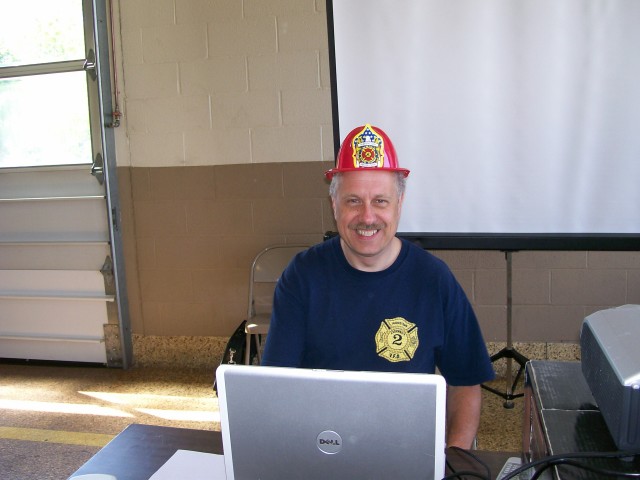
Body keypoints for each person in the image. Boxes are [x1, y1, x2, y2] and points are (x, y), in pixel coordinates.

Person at [261, 124, 495, 449]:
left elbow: (466, 383)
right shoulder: (302, 277)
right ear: (334, 206)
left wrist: (455, 459)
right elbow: (277, 386)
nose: (367, 216)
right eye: (353, 201)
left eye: (381, 201)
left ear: (399, 203)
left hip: (408, 450)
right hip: (324, 448)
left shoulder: (434, 280)